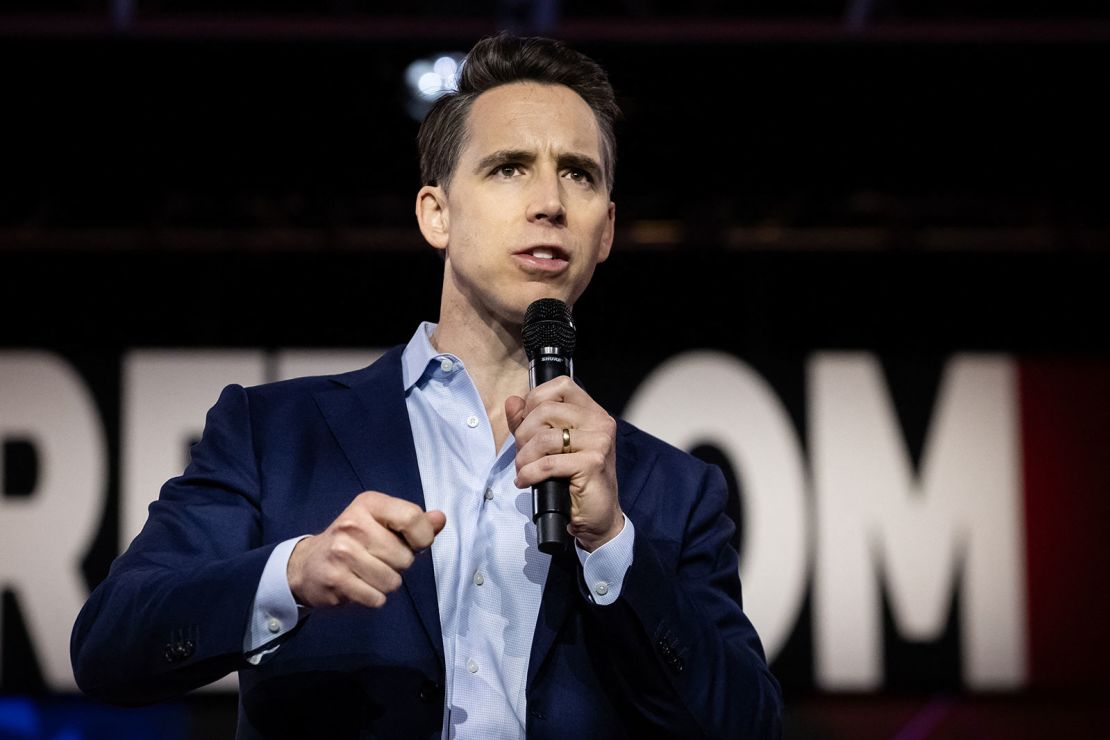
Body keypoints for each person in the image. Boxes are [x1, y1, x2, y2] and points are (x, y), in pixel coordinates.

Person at [71, 33, 783, 739]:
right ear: (435, 214)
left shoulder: (673, 490)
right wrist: (293, 573)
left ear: (606, 232)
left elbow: (749, 725)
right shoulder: (276, 433)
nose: (549, 202)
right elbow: (110, 645)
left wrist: (612, 546)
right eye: (508, 168)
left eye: (579, 174)